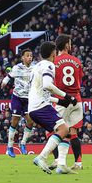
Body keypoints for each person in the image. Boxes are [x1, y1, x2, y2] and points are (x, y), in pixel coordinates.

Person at [28, 41, 77, 174]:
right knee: (64, 128)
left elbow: (40, 92)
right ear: (53, 53)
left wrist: (60, 102)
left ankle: (61, 165)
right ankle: (42, 157)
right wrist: (66, 96)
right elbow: (47, 85)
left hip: (35, 106)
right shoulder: (49, 65)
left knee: (65, 131)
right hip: (40, 106)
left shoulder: (36, 66)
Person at [49, 34, 84, 170]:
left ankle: (58, 160)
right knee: (73, 132)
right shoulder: (76, 61)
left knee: (52, 131)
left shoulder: (54, 62)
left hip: (61, 99)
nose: (71, 45)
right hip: (76, 98)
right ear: (66, 45)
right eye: (69, 43)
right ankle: (78, 163)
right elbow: (79, 80)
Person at [1, 49, 35, 157]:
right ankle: (10, 146)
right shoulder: (17, 68)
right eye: (28, 56)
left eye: (31, 56)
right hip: (17, 97)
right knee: (15, 120)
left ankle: (23, 143)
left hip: (28, 98)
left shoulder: (35, 68)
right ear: (23, 58)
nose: (30, 57)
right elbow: (9, 76)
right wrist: (4, 82)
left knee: (30, 121)